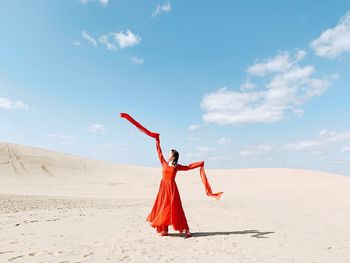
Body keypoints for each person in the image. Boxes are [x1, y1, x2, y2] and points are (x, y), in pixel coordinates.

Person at [146, 134, 204, 239]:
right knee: (163, 207)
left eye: (170, 154)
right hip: (163, 188)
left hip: (172, 189)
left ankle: (187, 230)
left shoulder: (176, 167)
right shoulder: (164, 163)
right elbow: (159, 152)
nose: (168, 155)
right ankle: (164, 229)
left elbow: (188, 167)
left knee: (176, 209)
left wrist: (199, 163)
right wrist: (157, 141)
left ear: (173, 156)